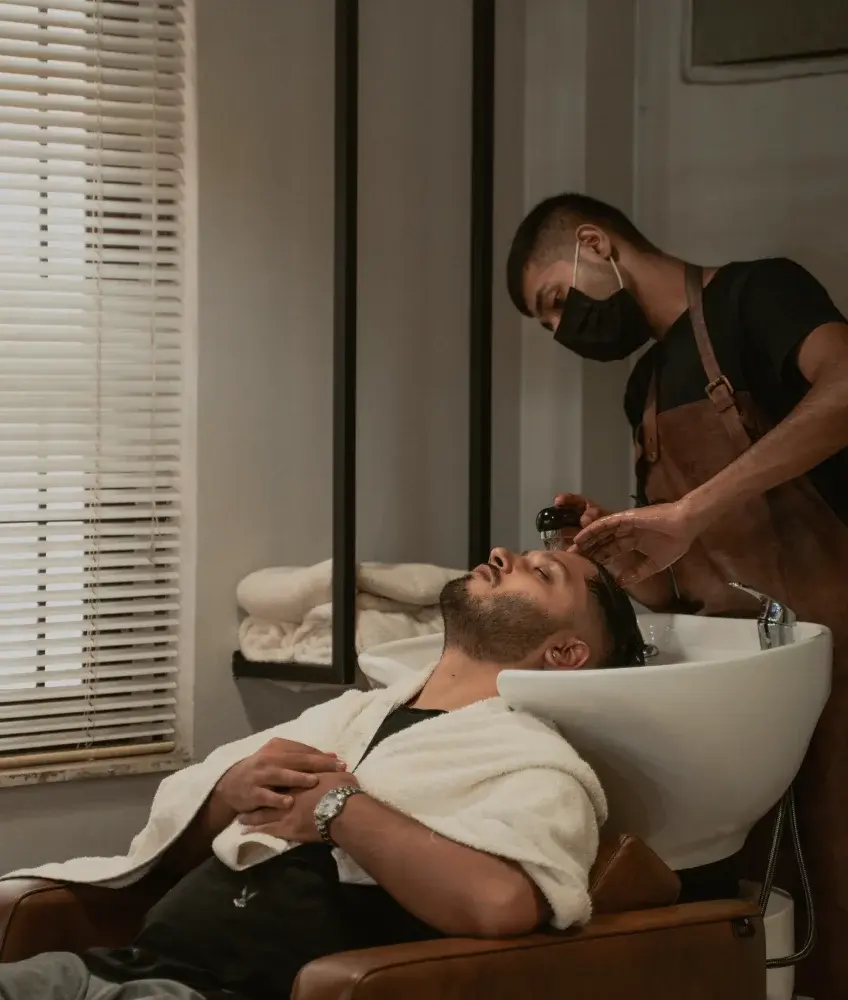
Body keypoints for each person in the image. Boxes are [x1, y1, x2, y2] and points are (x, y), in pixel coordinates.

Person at [0, 548, 645, 1000]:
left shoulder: (533, 761)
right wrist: (229, 792)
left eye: (543, 571)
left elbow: (501, 902)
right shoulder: (356, 714)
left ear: (565, 652)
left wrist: (343, 811)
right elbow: (172, 845)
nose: (505, 554)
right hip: (105, 972)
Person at [507, 191, 848, 1000]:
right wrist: (620, 540)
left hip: (837, 649)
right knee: (762, 899)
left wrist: (692, 508)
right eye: (548, 326)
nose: (563, 332)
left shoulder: (757, 295)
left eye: (557, 302)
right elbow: (681, 567)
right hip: (741, 689)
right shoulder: (648, 387)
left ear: (597, 244)